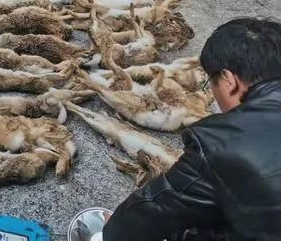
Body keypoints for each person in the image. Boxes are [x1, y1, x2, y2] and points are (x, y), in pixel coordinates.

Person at [103, 17, 281, 241]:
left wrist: (112, 231)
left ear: (229, 81)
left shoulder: (222, 142)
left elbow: (154, 211)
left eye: (210, 83)